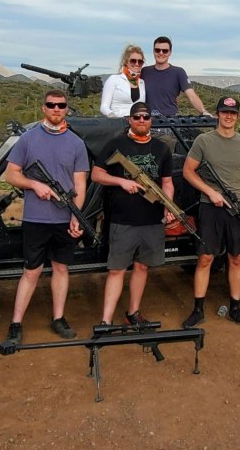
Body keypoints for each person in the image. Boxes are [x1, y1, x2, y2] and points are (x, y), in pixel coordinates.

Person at [5, 89, 90, 345]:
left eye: (61, 105)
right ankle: (16, 323)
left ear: (66, 109)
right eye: (51, 105)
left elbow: (80, 184)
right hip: (36, 219)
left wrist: (77, 215)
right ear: (43, 107)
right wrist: (35, 185)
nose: (56, 109)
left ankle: (58, 318)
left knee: (62, 269)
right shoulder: (28, 139)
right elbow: (11, 174)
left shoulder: (76, 143)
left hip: (64, 219)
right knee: (31, 271)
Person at [91, 102, 174, 325]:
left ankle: (133, 313)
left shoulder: (161, 148)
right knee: (117, 270)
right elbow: (97, 174)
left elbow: (167, 182)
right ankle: (106, 321)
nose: (141, 120)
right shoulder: (116, 145)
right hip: (123, 219)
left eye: (146, 117)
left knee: (142, 266)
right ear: (129, 119)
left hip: (151, 219)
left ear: (151, 121)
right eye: (137, 117)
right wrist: (120, 181)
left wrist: (169, 206)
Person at [181, 97, 240, 327]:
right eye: (224, 112)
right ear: (218, 114)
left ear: (237, 116)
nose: (228, 116)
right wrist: (209, 192)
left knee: (237, 257)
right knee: (205, 259)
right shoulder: (204, 141)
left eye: (232, 113)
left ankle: (235, 307)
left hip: (236, 209)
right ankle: (198, 309)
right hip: (210, 207)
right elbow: (188, 171)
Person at [141, 36, 211, 117]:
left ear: (170, 52)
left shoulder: (178, 72)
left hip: (170, 122)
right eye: (157, 50)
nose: (161, 53)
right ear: (153, 51)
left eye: (165, 51)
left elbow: (191, 95)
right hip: (147, 121)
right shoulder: (145, 71)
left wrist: (203, 111)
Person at [100, 44, 146, 118]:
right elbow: (104, 106)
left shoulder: (142, 83)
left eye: (140, 62)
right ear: (126, 62)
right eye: (133, 61)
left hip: (136, 124)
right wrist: (112, 115)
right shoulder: (114, 79)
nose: (137, 64)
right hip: (118, 122)